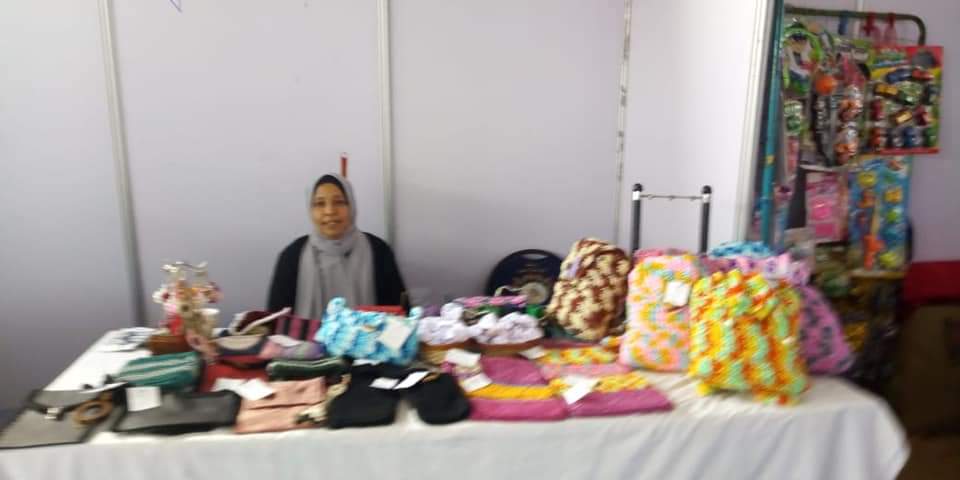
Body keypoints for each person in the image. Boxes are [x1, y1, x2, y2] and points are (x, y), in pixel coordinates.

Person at [268, 174, 407, 317]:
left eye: (339, 202)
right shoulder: (292, 257)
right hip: (306, 333)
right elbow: (275, 322)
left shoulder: (379, 252)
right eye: (320, 204)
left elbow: (401, 316)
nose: (330, 211)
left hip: (370, 332)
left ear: (351, 206)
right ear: (310, 210)